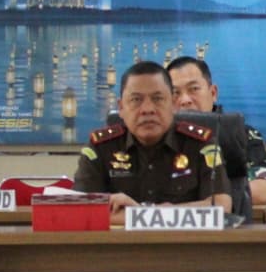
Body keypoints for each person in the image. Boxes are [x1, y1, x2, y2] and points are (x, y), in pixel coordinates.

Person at [73, 61, 231, 224]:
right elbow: (80, 210)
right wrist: (154, 215)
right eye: (136, 99)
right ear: (121, 108)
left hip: (183, 240)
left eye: (157, 99)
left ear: (172, 104)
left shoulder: (201, 144)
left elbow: (221, 207)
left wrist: (143, 213)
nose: (147, 109)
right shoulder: (101, 148)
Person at [167, 55, 266, 217]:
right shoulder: (159, 137)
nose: (185, 100)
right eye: (175, 93)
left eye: (193, 89)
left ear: (213, 93)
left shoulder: (240, 133)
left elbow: (263, 192)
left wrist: (212, 198)